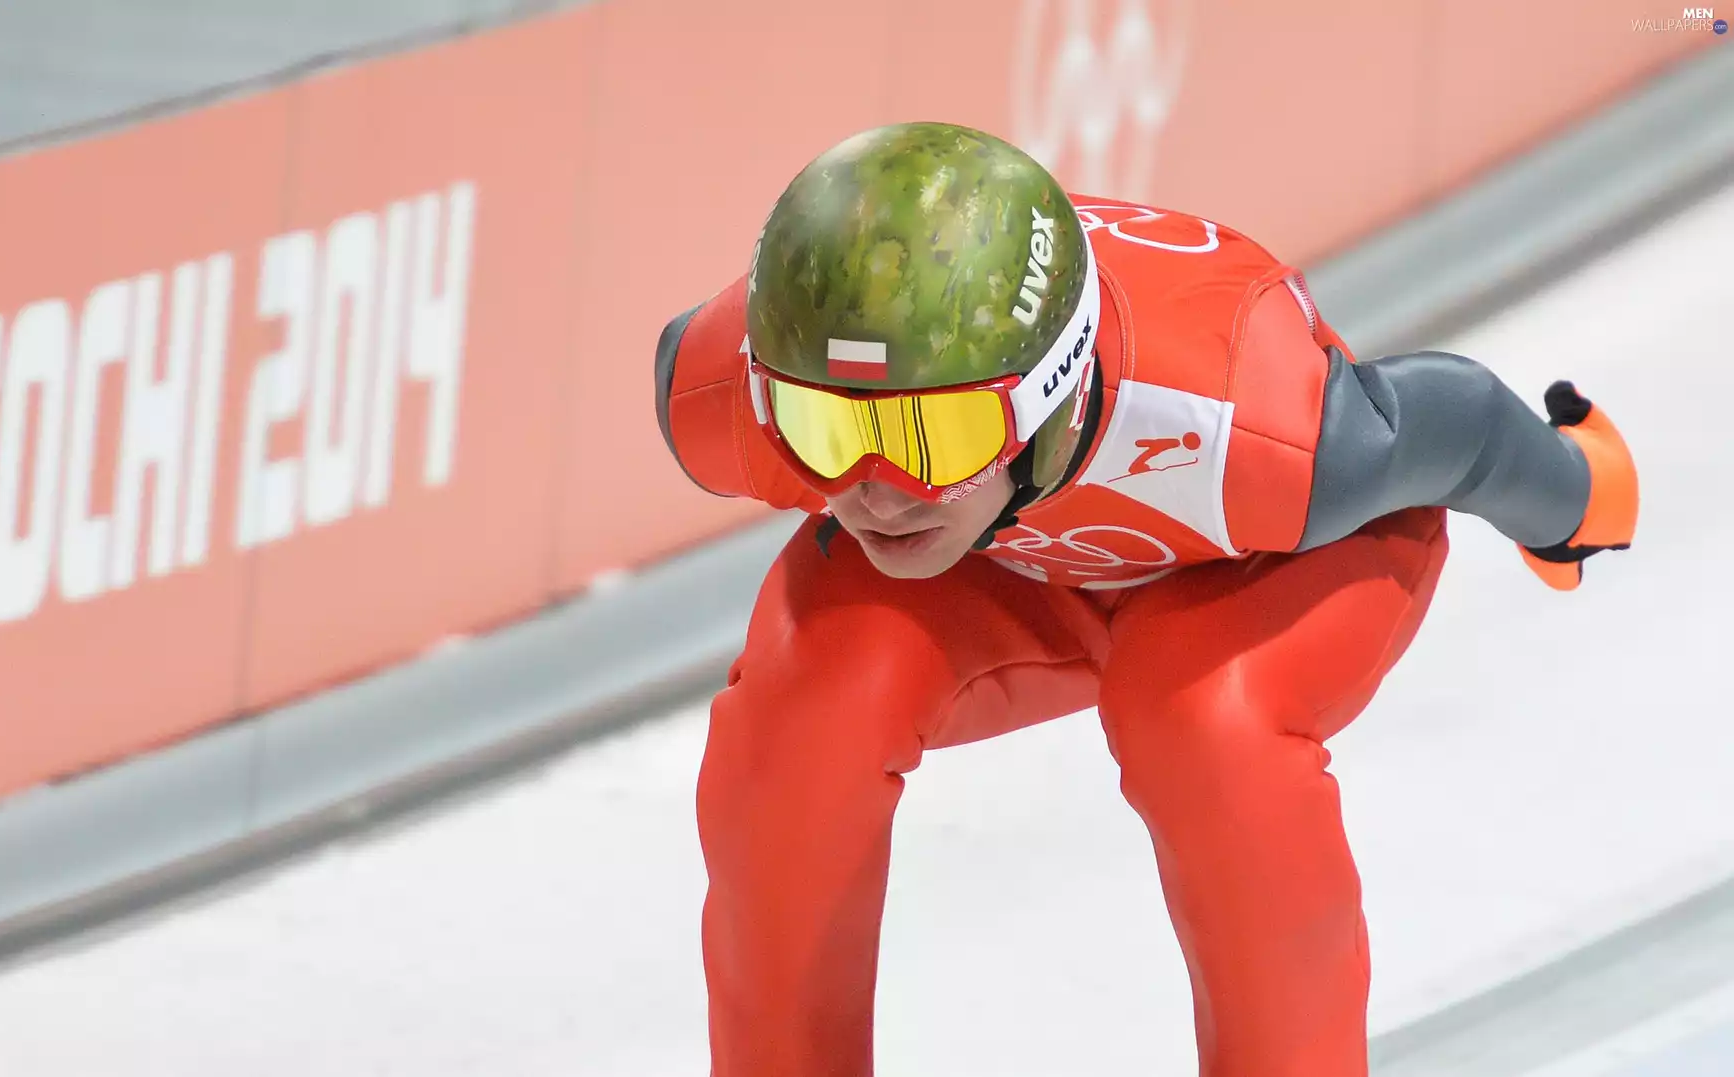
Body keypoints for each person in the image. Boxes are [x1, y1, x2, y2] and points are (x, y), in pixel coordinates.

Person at [652, 122, 1638, 1077]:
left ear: (1054, 393)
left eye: (935, 438)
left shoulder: (1252, 426)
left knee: (1201, 717)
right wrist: (901, 448)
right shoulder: (728, 401)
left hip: (1270, 561)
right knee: (804, 712)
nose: (877, 492)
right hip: (1006, 560)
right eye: (825, 431)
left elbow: (1464, 426)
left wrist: (1583, 496)